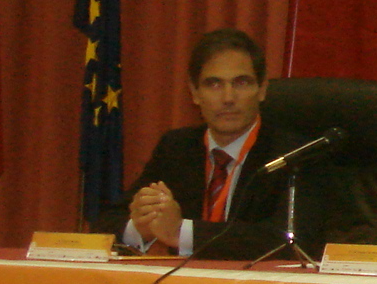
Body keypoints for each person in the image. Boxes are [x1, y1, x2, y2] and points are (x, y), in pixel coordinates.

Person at [103, 28, 327, 258]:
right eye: (214, 84)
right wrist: (141, 227)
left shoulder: (296, 155)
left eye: (241, 83)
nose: (228, 98)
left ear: (262, 90)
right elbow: (105, 222)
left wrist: (181, 232)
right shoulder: (176, 147)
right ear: (194, 93)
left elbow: (293, 241)